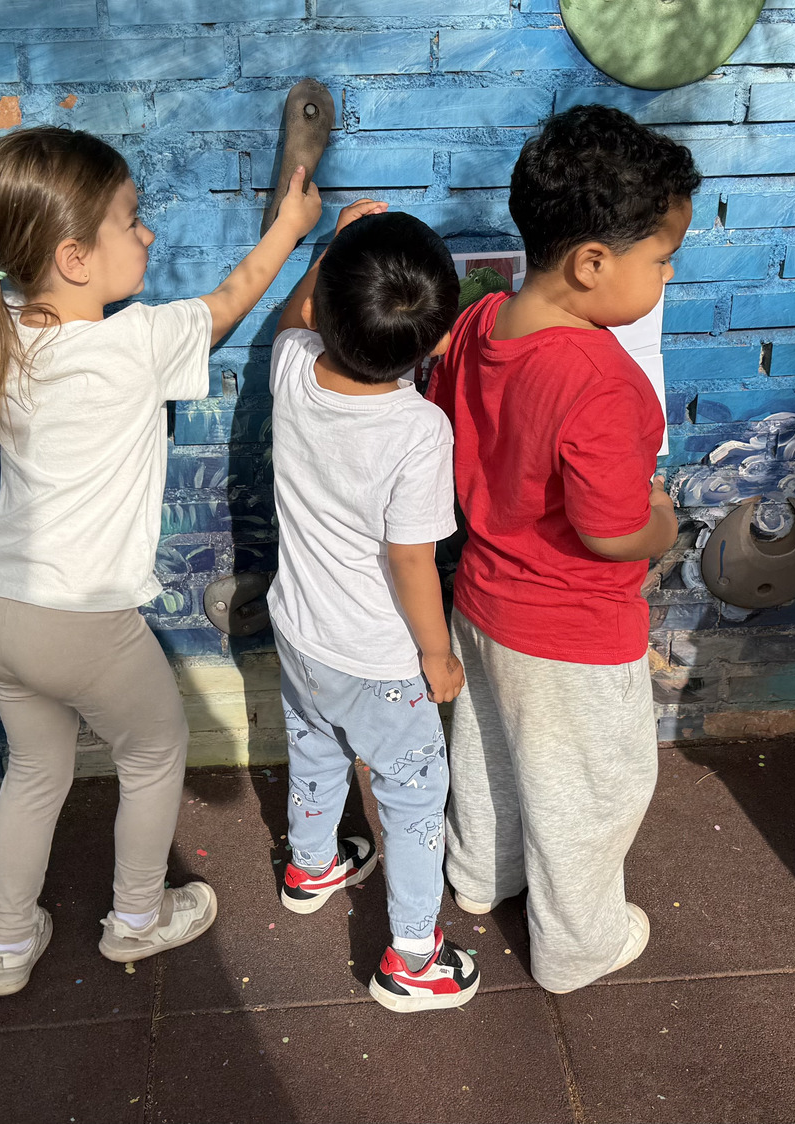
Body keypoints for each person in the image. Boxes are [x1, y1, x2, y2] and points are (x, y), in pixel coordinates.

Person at [0, 121, 322, 994]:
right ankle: (136, 918)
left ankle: (4, 947)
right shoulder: (135, 344)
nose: (149, 234)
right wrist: (290, 226)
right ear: (74, 257)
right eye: (132, 221)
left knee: (34, 770)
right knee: (155, 750)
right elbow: (232, 299)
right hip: (84, 621)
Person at [423, 104, 696, 994]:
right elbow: (611, 532)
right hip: (572, 630)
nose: (667, 275)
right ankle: (578, 947)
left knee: (491, 756)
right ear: (592, 263)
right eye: (662, 259)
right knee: (591, 793)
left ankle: (480, 875)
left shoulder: (480, 323)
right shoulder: (604, 381)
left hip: (482, 600)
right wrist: (664, 523)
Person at [265, 200, 476, 1011]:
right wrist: (437, 653)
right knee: (413, 797)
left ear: (321, 309)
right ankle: (414, 957)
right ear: (440, 339)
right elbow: (410, 559)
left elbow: (296, 317)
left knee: (316, 744)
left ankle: (312, 865)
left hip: (300, 628)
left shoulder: (290, 366)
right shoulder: (419, 431)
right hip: (382, 660)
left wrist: (334, 246)